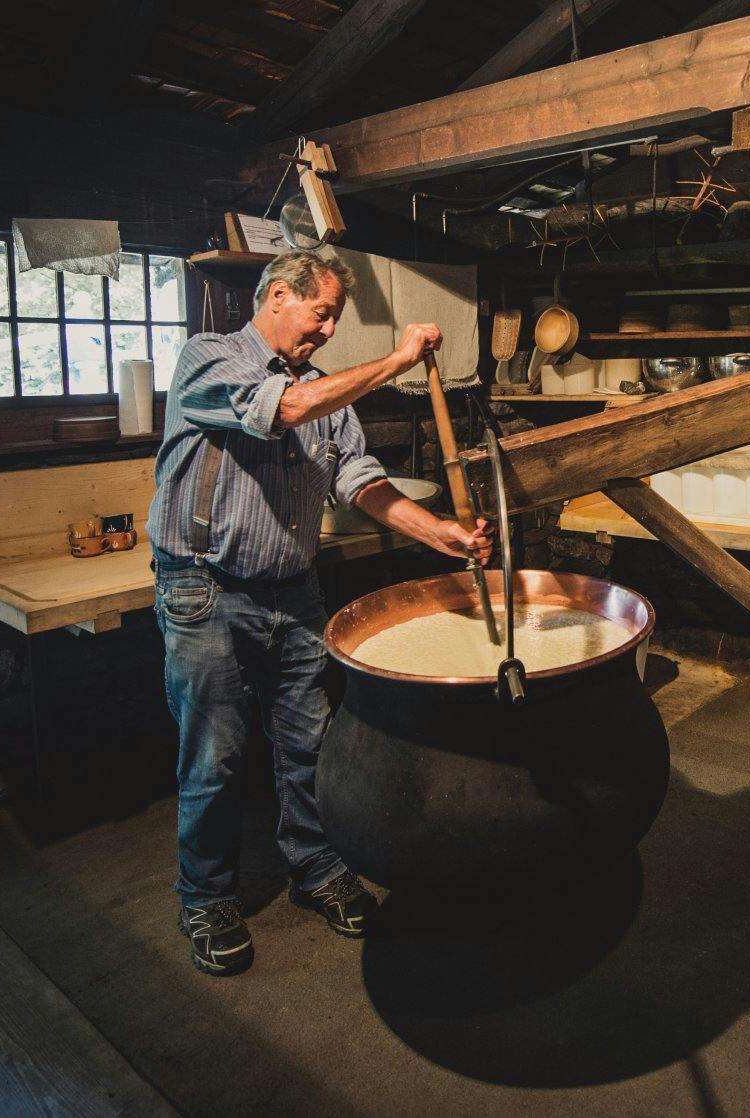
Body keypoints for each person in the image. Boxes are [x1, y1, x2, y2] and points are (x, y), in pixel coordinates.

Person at [145, 250, 491, 976]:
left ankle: (316, 866)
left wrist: (441, 534)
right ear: (278, 295)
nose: (329, 329)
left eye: (335, 318)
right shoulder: (210, 358)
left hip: (293, 592)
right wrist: (395, 361)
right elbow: (282, 411)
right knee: (215, 757)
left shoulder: (325, 395)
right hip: (206, 591)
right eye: (322, 313)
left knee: (309, 742)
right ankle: (205, 896)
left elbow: (361, 481)